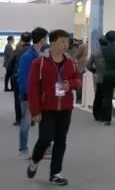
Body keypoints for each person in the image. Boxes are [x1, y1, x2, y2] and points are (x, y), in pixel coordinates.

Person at [26, 29, 81, 186]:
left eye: (67, 42)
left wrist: (71, 84)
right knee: (45, 139)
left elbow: (78, 80)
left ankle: (55, 173)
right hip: (47, 108)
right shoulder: (40, 63)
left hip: (65, 107)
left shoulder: (70, 62)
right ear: (53, 42)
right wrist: (35, 111)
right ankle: (35, 160)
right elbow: (32, 89)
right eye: (62, 41)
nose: (66, 45)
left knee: (60, 140)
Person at [17, 27, 48, 159]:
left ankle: (43, 149)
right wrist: (30, 94)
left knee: (45, 123)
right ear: (42, 39)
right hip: (28, 96)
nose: (47, 40)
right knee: (26, 123)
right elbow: (22, 78)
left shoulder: (40, 54)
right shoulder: (28, 56)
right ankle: (23, 150)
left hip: (40, 95)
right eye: (46, 38)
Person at [7, 32, 31, 126]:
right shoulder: (34, 52)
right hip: (31, 79)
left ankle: (19, 119)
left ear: (21, 40)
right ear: (31, 39)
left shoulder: (17, 51)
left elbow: (9, 66)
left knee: (18, 99)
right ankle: (30, 119)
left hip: (17, 78)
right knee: (31, 99)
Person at [86, 37, 107, 122]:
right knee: (106, 97)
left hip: (99, 77)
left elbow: (88, 65)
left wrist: (94, 70)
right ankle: (103, 115)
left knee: (98, 96)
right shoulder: (110, 53)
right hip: (109, 77)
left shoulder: (95, 53)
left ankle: (96, 114)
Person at [69, 39, 88, 103]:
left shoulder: (83, 46)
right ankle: (79, 98)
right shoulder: (85, 46)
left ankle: (78, 98)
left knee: (80, 83)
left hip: (82, 67)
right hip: (83, 68)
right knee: (82, 83)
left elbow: (75, 56)